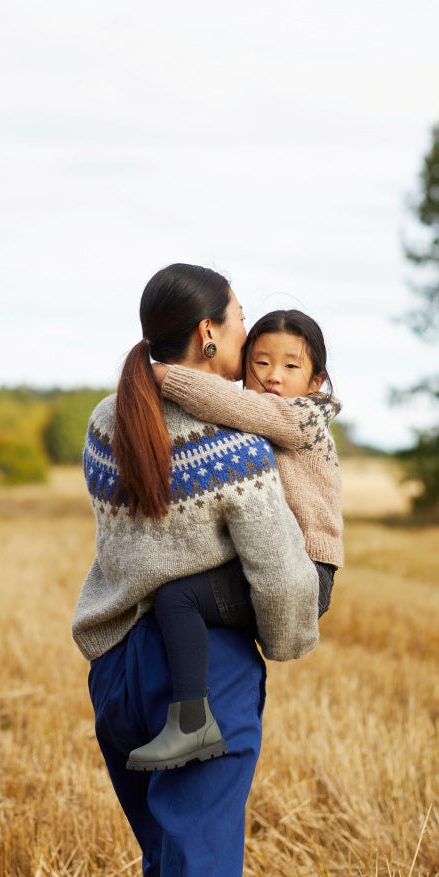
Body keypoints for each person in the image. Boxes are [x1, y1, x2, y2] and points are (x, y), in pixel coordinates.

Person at [72, 263, 320, 877]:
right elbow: (282, 579)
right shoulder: (235, 447)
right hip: (202, 677)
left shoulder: (105, 420)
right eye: (240, 318)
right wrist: (291, 637)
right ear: (209, 334)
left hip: (116, 669)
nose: (247, 330)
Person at [127, 309, 344, 772]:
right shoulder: (259, 421)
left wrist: (162, 374)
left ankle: (192, 724)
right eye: (260, 363)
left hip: (304, 569)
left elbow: (237, 406)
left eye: (291, 366)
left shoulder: (304, 419)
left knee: (178, 595)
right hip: (269, 560)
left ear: (316, 381)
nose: (272, 377)